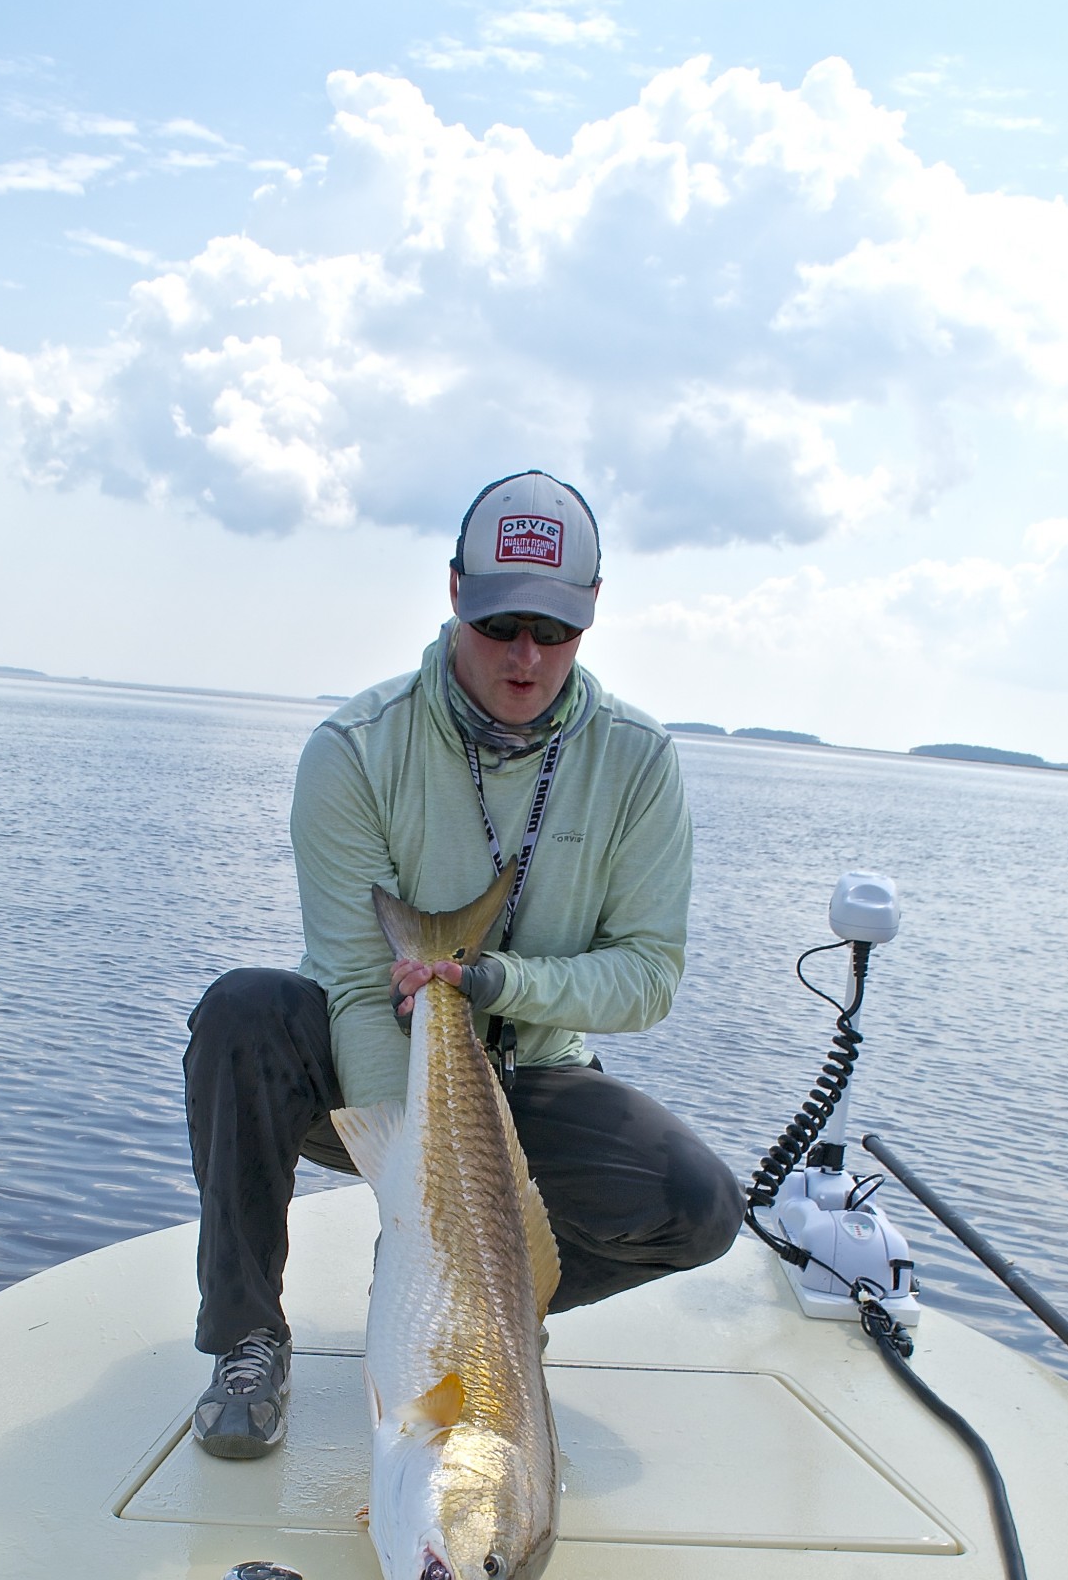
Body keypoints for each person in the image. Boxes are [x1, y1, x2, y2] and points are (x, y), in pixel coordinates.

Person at [182, 470, 743, 1458]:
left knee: (697, 1207)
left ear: (593, 613)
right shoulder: (354, 749)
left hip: (533, 1068)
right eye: (500, 623)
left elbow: (647, 972)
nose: (526, 654)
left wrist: (498, 982)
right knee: (244, 1013)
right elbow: (359, 984)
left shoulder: (639, 762)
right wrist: (415, 1206)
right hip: (378, 1058)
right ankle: (246, 1338)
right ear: (453, 594)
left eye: (555, 629)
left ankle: (497, 1302)